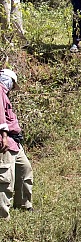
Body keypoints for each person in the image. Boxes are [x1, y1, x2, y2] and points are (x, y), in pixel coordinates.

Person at [0, 69, 33, 218]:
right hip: (5, 141)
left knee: (25, 169)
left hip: (14, 141)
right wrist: (4, 136)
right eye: (13, 85)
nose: (12, 88)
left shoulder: (4, 94)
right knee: (5, 179)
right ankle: (3, 214)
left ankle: (23, 205)